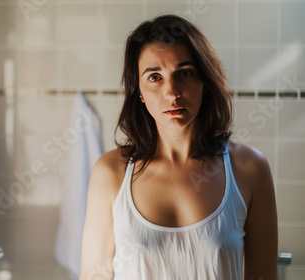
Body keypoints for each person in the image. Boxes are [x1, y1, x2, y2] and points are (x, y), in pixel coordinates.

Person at [79, 15, 277, 280]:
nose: (171, 93)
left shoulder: (249, 168)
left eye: (184, 73)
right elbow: (93, 276)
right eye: (154, 77)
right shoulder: (111, 172)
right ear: (139, 91)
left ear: (204, 82)